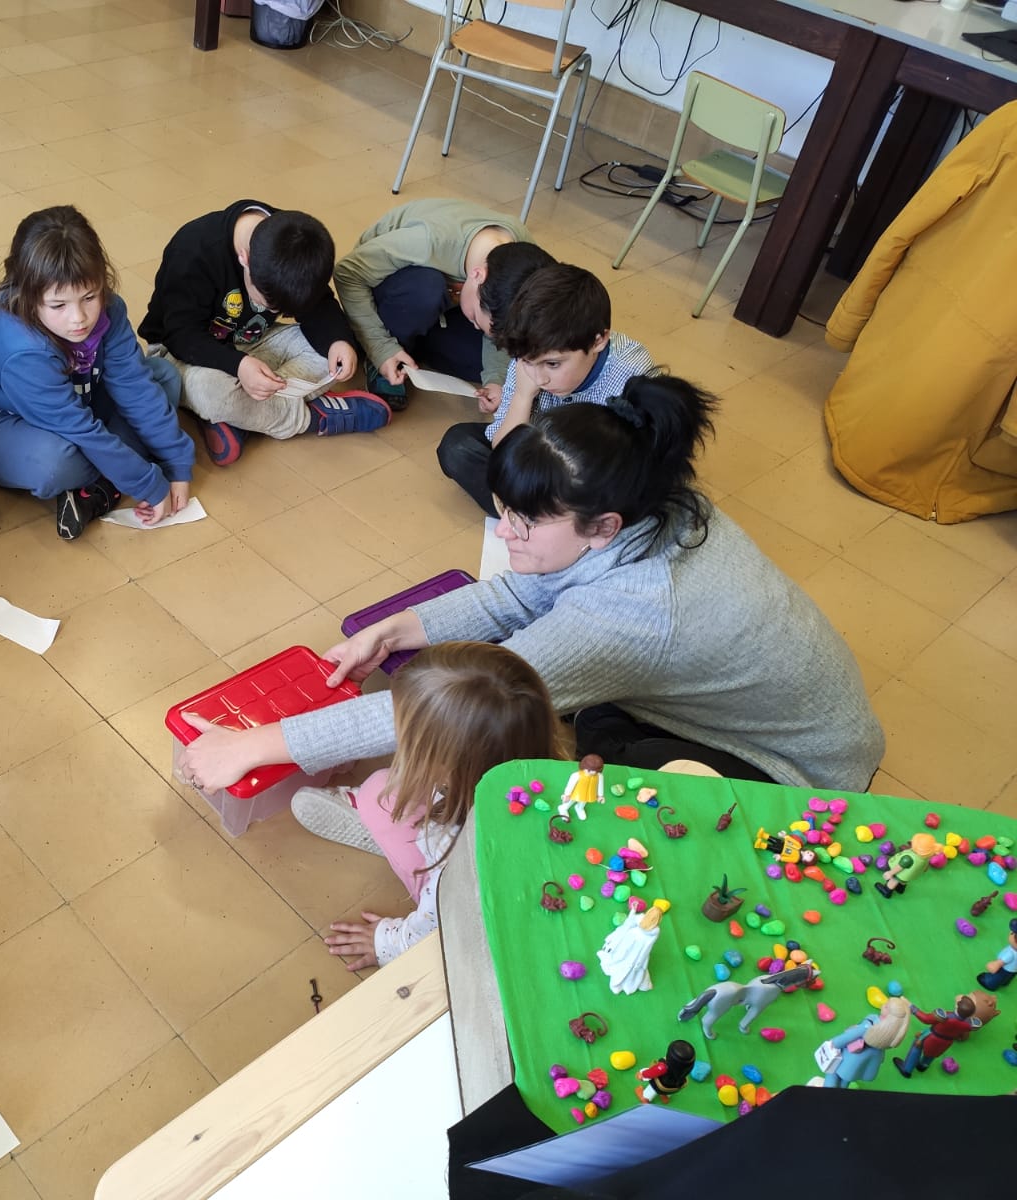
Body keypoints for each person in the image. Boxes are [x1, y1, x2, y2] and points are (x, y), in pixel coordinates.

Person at [175, 373, 885, 797]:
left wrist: (253, 745)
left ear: (602, 527)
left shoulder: (628, 615)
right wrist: (391, 632)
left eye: (525, 521)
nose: (505, 533)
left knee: (543, 772)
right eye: (504, 511)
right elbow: (517, 595)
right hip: (747, 713)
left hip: (797, 775)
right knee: (565, 715)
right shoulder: (647, 500)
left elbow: (454, 705)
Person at [287, 643, 564, 969]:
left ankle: (400, 848)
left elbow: (440, 920)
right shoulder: (557, 778)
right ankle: (393, 822)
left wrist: (386, 943)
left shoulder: (460, 857)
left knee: (380, 793)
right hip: (471, 816)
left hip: (461, 895)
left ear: (448, 765)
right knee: (385, 787)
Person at [0, 206, 195, 540]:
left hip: (70, 400)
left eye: (90, 297)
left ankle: (103, 481)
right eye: (58, 305)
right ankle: (108, 478)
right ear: (28, 296)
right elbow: (79, 428)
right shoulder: (23, 350)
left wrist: (176, 464)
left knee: (162, 377)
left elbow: (134, 386)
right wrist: (148, 484)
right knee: (55, 464)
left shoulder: (109, 310)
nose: (79, 318)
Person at [139, 200, 387, 467]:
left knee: (333, 355)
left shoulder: (296, 241)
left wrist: (338, 341)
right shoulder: (194, 250)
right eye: (267, 303)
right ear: (244, 258)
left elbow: (318, 305)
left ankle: (243, 418)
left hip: (254, 340)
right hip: (182, 353)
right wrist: (238, 365)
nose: (272, 311)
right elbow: (181, 334)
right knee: (212, 393)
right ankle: (309, 418)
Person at [437, 264, 656, 515]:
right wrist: (522, 396)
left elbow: (632, 472)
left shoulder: (631, 376)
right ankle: (536, 517)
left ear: (598, 341)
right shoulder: (529, 356)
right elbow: (502, 447)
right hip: (539, 458)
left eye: (553, 364)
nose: (540, 378)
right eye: (528, 362)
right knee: (458, 447)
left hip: (593, 478)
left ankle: (533, 517)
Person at [331, 198, 550, 408]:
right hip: (399, 293)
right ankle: (386, 347)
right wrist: (381, 347)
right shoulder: (428, 242)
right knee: (427, 289)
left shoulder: (524, 256)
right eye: (475, 318)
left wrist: (496, 378)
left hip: (447, 306)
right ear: (477, 275)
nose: (476, 326)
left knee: (498, 364)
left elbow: (499, 324)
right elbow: (347, 273)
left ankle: (412, 347)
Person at [819, 997, 911, 1088]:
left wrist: (834, 1043)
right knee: (846, 1079)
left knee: (832, 1072)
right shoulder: (889, 1033)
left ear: (889, 1015)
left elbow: (850, 1036)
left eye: (886, 1006)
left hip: (849, 1057)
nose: (883, 1005)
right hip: (862, 1062)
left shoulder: (870, 1025)